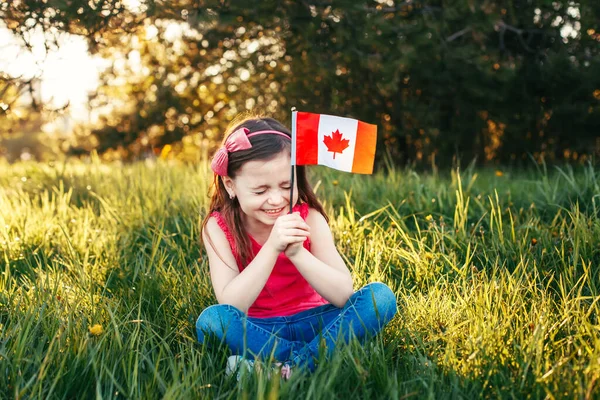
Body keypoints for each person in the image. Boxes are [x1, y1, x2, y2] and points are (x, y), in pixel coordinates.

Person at [196, 115, 397, 379]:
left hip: (317, 320)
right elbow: (233, 304)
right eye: (260, 191)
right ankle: (326, 355)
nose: (276, 199)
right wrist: (271, 248)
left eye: (286, 186)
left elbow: (343, 293)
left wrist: (297, 253)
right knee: (213, 321)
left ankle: (282, 369)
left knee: (380, 298)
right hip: (259, 329)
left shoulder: (309, 217)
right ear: (230, 185)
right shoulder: (219, 226)